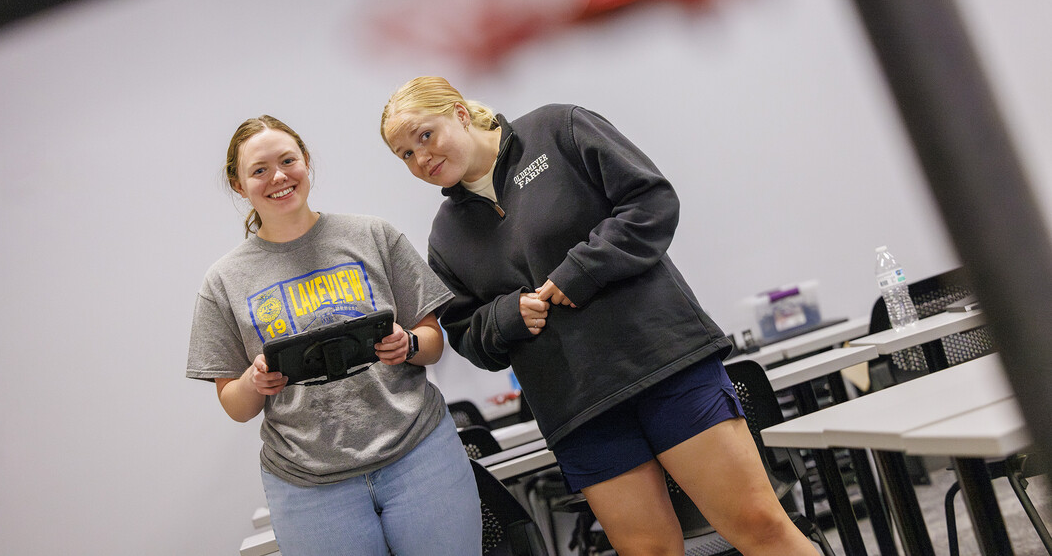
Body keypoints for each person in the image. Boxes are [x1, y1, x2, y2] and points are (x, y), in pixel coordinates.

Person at [380, 78, 818, 556]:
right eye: (404, 154)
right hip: (578, 410)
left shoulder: (557, 130)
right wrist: (507, 315)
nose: (420, 159)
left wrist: (582, 270)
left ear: (460, 115)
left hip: (663, 364)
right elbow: (465, 334)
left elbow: (651, 203)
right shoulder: (446, 237)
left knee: (758, 525)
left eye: (425, 135)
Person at [186, 115, 481, 556]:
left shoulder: (373, 235)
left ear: (306, 161)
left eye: (288, 161)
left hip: (420, 456)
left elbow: (432, 341)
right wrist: (254, 381)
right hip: (309, 488)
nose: (279, 177)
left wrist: (409, 344)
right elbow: (235, 405)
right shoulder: (223, 281)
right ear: (238, 184)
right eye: (259, 170)